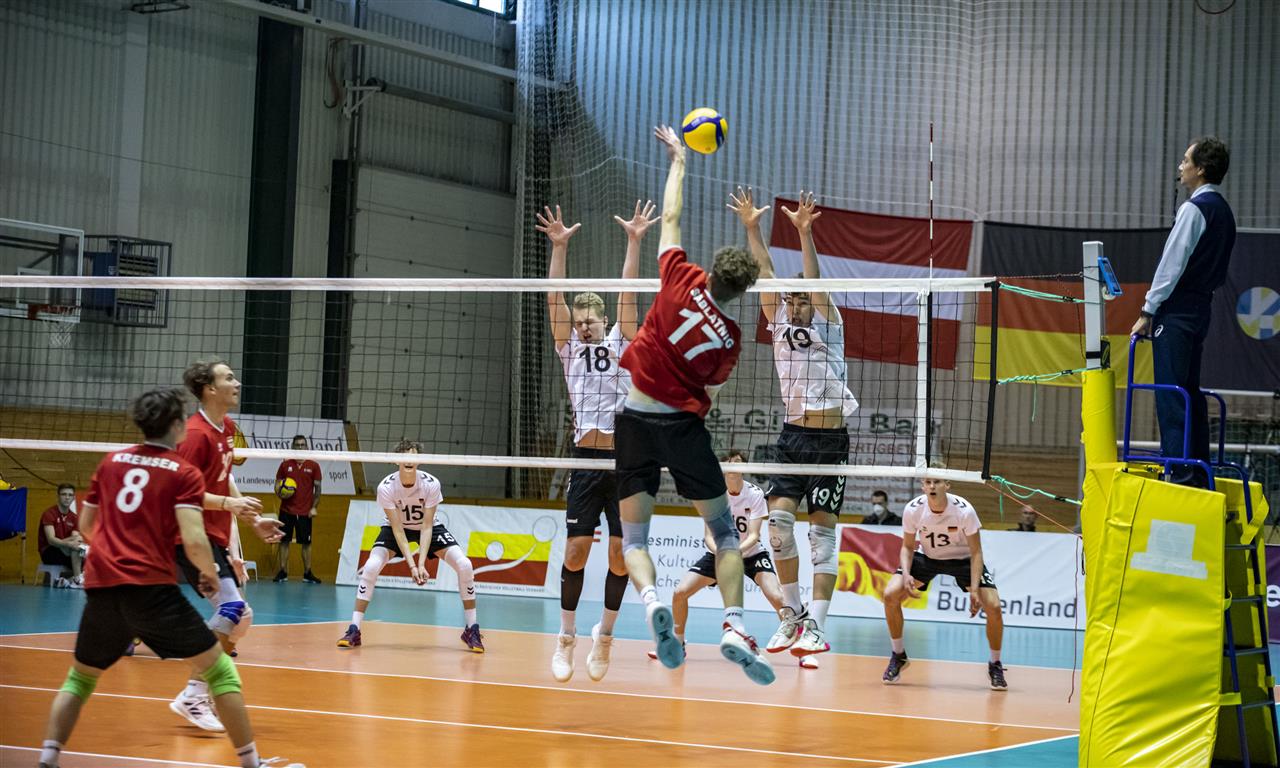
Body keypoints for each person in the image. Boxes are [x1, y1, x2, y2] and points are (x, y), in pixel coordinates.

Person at [36, 387, 302, 768]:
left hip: (103, 587)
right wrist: (210, 573)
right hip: (151, 590)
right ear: (177, 425)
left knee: (79, 679)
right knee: (222, 671)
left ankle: (47, 759)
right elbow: (193, 539)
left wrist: (116, 551)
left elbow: (87, 525)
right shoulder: (182, 472)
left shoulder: (112, 462)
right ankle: (251, 762)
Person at [613, 124, 771, 685]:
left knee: (635, 538)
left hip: (634, 418)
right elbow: (712, 395)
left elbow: (672, 217)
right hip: (682, 427)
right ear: (742, 292)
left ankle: (652, 600)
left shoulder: (679, 277)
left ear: (712, 269)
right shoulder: (731, 341)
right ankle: (732, 625)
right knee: (725, 533)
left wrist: (680, 160)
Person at [729, 187, 857, 662]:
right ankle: (792, 613)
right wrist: (752, 228)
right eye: (792, 298)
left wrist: (804, 232)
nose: (796, 304)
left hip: (829, 439)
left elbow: (815, 279)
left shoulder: (828, 320)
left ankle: (816, 628)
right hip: (792, 435)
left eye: (802, 298)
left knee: (821, 534)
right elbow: (764, 272)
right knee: (778, 527)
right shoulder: (778, 318)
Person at [536, 199, 657, 682]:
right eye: (579, 319)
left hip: (624, 462)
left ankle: (604, 636)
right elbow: (554, 299)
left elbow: (628, 293)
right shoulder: (568, 349)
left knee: (619, 556)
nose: (584, 325)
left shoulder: (622, 342)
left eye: (591, 319)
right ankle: (566, 637)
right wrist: (559, 248)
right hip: (586, 459)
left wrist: (634, 241)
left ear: (604, 321)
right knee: (575, 552)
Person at [170, 359, 283, 733]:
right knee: (232, 608)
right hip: (190, 537)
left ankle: (196, 688)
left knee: (242, 617)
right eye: (229, 378)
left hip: (215, 534)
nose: (237, 383)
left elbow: (223, 478)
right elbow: (182, 495)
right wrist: (229, 505)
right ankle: (193, 694)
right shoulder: (195, 435)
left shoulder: (227, 428)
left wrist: (252, 519)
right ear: (209, 389)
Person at [1130, 137, 1235, 488]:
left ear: (1200, 169)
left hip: (1177, 312)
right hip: (1202, 309)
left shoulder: (1194, 209)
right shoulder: (1225, 212)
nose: (1180, 165)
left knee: (1171, 394)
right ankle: (1199, 471)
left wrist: (1147, 310)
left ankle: (1179, 472)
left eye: (1185, 160)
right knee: (1189, 391)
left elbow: (1171, 265)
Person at [645, 450, 802, 665]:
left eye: (738, 463)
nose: (733, 467)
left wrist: (735, 552)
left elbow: (754, 535)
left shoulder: (755, 494)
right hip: (719, 554)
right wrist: (723, 553)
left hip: (751, 553)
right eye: (729, 463)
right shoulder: (714, 494)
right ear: (723, 470)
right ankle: (677, 644)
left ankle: (803, 649)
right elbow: (708, 536)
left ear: (745, 469)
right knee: (680, 592)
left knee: (779, 598)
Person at [337, 440, 482, 652]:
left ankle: (472, 628)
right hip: (396, 528)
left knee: (465, 565)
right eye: (404, 456)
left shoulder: (431, 484)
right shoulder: (386, 487)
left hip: (428, 527)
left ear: (419, 461)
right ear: (396, 461)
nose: (409, 460)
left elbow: (427, 526)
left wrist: (422, 564)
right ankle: (354, 629)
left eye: (413, 456)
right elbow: (397, 529)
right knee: (370, 566)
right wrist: (412, 566)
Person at [881, 471, 1006, 690]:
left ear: (947, 485)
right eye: (928, 482)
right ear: (923, 486)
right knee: (890, 595)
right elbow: (907, 547)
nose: (932, 486)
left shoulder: (964, 510)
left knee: (994, 607)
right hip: (928, 558)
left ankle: (995, 664)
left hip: (963, 560)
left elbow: (976, 552)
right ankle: (898, 655)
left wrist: (974, 589)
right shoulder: (913, 509)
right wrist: (907, 573)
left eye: (937, 482)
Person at [273, 435, 322, 584]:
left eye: (302, 445)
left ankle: (307, 573)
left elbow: (318, 489)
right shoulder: (285, 465)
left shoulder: (314, 465)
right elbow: (277, 485)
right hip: (286, 511)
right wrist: (280, 492)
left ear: (306, 447)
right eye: (297, 445)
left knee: (306, 543)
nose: (300, 447)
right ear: (293, 447)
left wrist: (314, 507)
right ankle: (283, 571)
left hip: (305, 512)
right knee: (284, 541)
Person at [39, 483, 85, 587]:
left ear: (73, 498)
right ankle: (77, 580)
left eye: (70, 495)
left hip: (67, 551)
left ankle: (69, 581)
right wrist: (67, 544)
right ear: (58, 496)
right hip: (49, 551)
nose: (67, 497)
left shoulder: (74, 517)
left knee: (82, 548)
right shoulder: (49, 514)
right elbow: (51, 540)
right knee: (76, 548)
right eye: (64, 494)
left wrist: (72, 544)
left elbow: (75, 538)